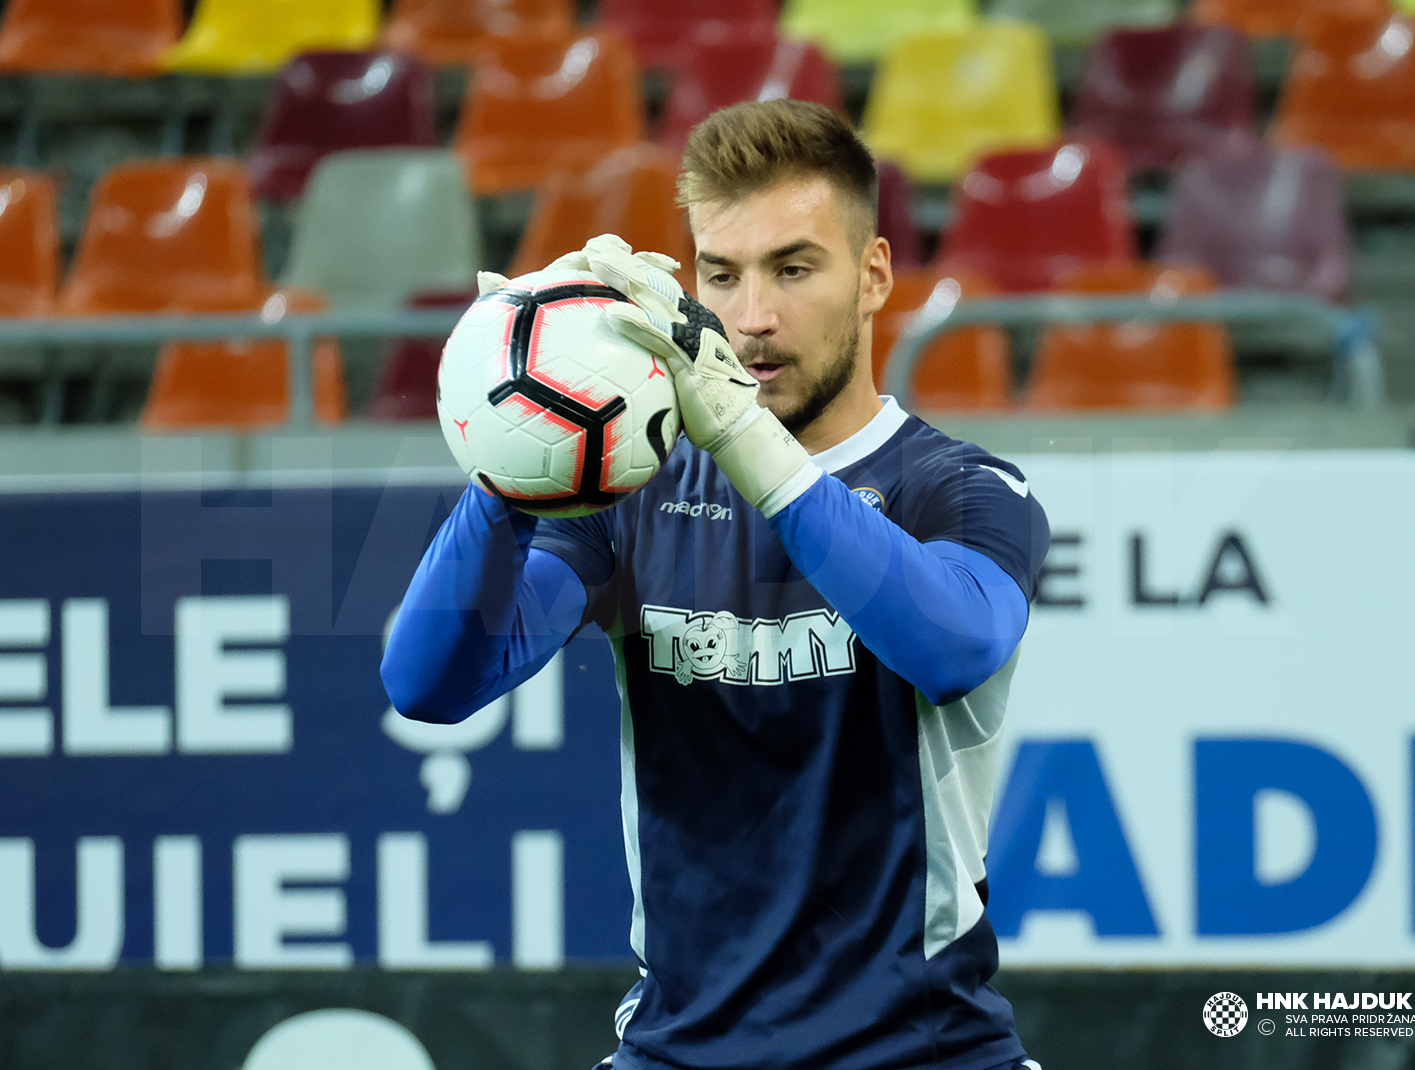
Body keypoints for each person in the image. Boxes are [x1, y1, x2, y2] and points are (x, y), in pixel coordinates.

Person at [383, 100, 1050, 1070]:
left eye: (793, 267)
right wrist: (509, 452)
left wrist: (742, 436)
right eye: (721, 274)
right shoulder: (631, 495)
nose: (752, 316)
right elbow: (430, 685)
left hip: (924, 1052)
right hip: (676, 1050)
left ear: (872, 277)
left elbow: (951, 645)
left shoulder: (959, 488)